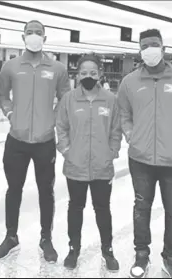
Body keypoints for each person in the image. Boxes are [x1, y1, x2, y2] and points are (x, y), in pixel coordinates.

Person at [117, 29, 172, 278]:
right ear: (139, 51)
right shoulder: (130, 82)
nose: (150, 50)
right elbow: (123, 114)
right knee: (141, 208)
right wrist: (130, 135)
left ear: (163, 48)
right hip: (140, 159)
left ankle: (171, 259)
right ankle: (141, 256)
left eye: (154, 44)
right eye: (145, 46)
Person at [0, 20, 71, 263]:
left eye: (39, 32)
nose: (34, 36)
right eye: (30, 32)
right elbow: (2, 95)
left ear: (45, 37)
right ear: (22, 36)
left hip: (45, 140)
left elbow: (65, 99)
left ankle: (46, 238)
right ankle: (11, 236)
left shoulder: (57, 68)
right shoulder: (11, 66)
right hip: (16, 140)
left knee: (46, 191)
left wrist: (54, 120)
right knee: (13, 189)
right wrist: (9, 114)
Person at [56, 54, 122, 270]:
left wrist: (112, 152)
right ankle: (73, 249)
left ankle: (107, 250)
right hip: (75, 166)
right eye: (84, 73)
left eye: (93, 73)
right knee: (75, 208)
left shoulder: (110, 100)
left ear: (100, 74)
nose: (88, 76)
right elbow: (62, 127)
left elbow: (115, 129)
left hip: (102, 167)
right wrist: (66, 150)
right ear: (78, 74)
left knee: (102, 208)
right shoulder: (69, 99)